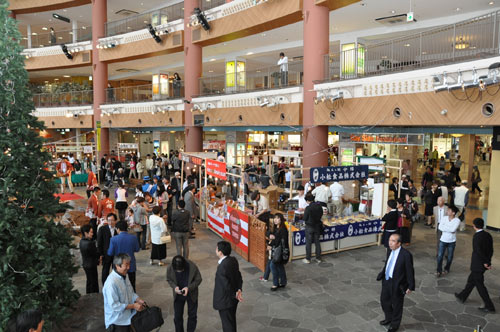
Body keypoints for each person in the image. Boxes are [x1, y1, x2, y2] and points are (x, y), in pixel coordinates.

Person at [455, 218, 495, 313]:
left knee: (480, 285)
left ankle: (490, 306)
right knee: (471, 281)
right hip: (483, 264)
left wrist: (485, 262)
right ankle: (462, 296)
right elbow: (491, 250)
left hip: (478, 264)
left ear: (474, 226)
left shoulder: (476, 237)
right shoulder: (488, 235)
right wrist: (488, 262)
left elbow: (478, 251)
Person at [377, 233, 415, 332]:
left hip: (398, 284)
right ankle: (389, 318)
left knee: (397, 305)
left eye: (393, 241)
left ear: (399, 243)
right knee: (384, 301)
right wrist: (382, 273)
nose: (390, 243)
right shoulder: (390, 250)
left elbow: (410, 271)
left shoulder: (406, 255)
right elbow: (388, 263)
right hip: (387, 280)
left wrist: (411, 286)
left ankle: (394, 325)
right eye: (390, 240)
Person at [103, 253, 146, 331]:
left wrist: (138, 299)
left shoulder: (125, 275)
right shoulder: (111, 283)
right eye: (126, 265)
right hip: (117, 322)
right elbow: (114, 305)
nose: (128, 267)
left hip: (128, 318)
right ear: (117, 265)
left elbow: (130, 292)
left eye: (129, 264)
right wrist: (133, 306)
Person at [167, 255, 202, 332]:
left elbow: (199, 279)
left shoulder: (192, 266)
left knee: (192, 315)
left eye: (181, 270)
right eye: (177, 271)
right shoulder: (170, 267)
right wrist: (174, 287)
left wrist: (188, 288)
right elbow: (169, 279)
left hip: (191, 294)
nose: (179, 272)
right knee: (177, 317)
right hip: (178, 295)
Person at [213, 241, 243, 332]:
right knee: (231, 322)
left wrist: (235, 294)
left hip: (225, 301)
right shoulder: (233, 260)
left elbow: (226, 286)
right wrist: (239, 290)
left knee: (227, 325)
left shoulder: (222, 267)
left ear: (220, 252)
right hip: (233, 299)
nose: (215, 249)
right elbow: (238, 276)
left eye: (217, 248)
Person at [108, 221, 140, 292]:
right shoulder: (133, 237)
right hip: (130, 265)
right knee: (131, 284)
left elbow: (110, 253)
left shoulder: (113, 239)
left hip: (119, 266)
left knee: (119, 286)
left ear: (118, 229)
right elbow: (137, 249)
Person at [436, 206, 461, 277]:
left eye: (449, 210)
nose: (447, 211)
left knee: (450, 257)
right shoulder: (444, 218)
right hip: (443, 240)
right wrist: (449, 229)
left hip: (452, 241)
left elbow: (453, 230)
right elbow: (440, 227)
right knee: (440, 256)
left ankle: (447, 268)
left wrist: (445, 228)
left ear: (453, 213)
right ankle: (439, 270)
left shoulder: (457, 220)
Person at [268, 213, 289, 291]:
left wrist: (274, 238)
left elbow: (282, 242)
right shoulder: (276, 227)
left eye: (277, 218)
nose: (275, 220)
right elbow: (271, 235)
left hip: (280, 252)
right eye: (274, 218)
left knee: (272, 265)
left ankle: (275, 284)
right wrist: (271, 239)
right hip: (277, 250)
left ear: (281, 219)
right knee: (280, 266)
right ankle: (283, 282)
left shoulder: (283, 229)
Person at [97, 213, 118, 285]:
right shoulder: (102, 229)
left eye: (112, 220)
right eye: (109, 220)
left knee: (116, 270)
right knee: (105, 270)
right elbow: (99, 242)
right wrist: (101, 254)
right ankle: (105, 285)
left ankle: (115, 284)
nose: (110, 222)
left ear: (115, 221)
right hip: (106, 254)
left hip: (116, 254)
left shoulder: (118, 229)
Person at [302, 193, 323, 264]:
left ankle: (308, 258)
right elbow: (321, 214)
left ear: (308, 201)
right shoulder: (319, 206)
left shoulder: (308, 208)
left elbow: (304, 218)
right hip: (317, 226)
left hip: (309, 227)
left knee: (308, 243)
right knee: (317, 242)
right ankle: (318, 258)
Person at [80, 224, 100, 294]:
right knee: (93, 282)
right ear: (86, 233)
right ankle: (93, 296)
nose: (92, 234)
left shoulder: (81, 241)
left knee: (89, 281)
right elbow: (96, 253)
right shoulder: (90, 243)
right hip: (91, 265)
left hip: (85, 264)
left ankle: (88, 294)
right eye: (91, 232)